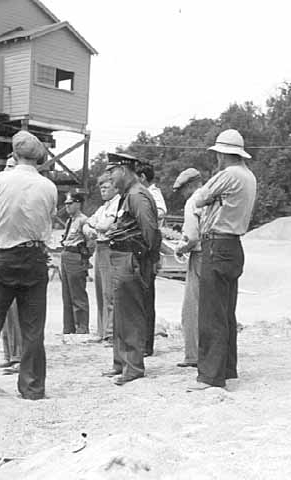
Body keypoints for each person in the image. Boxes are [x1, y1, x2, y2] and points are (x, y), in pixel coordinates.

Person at [0, 130, 57, 400]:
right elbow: (48, 220)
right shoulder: (48, 187)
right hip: (34, 257)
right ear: (39, 158)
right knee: (33, 328)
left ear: (15, 154)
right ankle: (32, 387)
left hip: (3, 256)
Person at [187, 129, 257, 391]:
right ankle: (227, 367)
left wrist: (212, 197)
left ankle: (210, 375)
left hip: (217, 242)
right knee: (226, 310)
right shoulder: (248, 176)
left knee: (211, 313)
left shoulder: (227, 175)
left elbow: (200, 198)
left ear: (223, 155)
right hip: (234, 244)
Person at [101, 153, 161, 386]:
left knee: (130, 315)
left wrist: (147, 260)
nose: (110, 178)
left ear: (124, 170)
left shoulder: (137, 195)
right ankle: (121, 363)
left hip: (131, 259)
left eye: (112, 172)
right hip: (122, 258)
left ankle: (133, 366)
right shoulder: (129, 195)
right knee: (120, 315)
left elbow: (150, 230)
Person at [0, 156, 23, 372]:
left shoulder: (21, 194)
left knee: (17, 311)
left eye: (12, 166)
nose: (7, 169)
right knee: (4, 312)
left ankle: (19, 356)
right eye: (6, 166)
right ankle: (9, 353)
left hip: (15, 256)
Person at [173, 168, 204, 368]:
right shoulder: (211, 195)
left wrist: (180, 248)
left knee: (191, 309)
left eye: (183, 189)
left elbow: (192, 236)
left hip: (198, 255)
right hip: (213, 252)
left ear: (190, 185)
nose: (182, 194)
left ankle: (193, 354)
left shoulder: (193, 201)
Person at [84, 174, 120, 344]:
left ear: (115, 188)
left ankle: (111, 332)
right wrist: (94, 226)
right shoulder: (103, 207)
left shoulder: (117, 204)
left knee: (109, 290)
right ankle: (102, 329)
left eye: (106, 187)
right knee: (99, 289)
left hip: (109, 248)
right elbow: (88, 223)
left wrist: (94, 227)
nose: (102, 191)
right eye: (101, 188)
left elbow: (105, 226)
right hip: (100, 245)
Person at [136, 162, 166, 356]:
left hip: (148, 249)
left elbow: (160, 214)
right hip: (140, 249)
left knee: (146, 298)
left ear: (143, 178)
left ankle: (147, 344)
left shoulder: (153, 195)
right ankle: (141, 341)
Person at [60, 192, 91, 334]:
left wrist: (85, 257)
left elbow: (91, 241)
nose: (67, 206)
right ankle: (69, 326)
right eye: (66, 203)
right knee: (67, 294)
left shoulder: (83, 220)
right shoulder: (70, 221)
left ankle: (82, 327)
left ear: (78, 203)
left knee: (77, 293)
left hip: (76, 255)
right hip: (66, 253)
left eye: (70, 203)